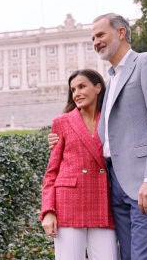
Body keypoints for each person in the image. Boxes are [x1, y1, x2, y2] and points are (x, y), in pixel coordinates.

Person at [48, 13, 147, 260]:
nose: (95, 41)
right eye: (92, 38)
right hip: (115, 185)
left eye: (100, 35)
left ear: (121, 33)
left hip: (143, 180)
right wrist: (61, 139)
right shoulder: (111, 79)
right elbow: (107, 133)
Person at [40, 69, 119, 260]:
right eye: (73, 89)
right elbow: (52, 172)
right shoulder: (62, 122)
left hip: (102, 200)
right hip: (68, 202)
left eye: (82, 86)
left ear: (98, 87)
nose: (77, 93)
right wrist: (48, 211)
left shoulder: (112, 119)